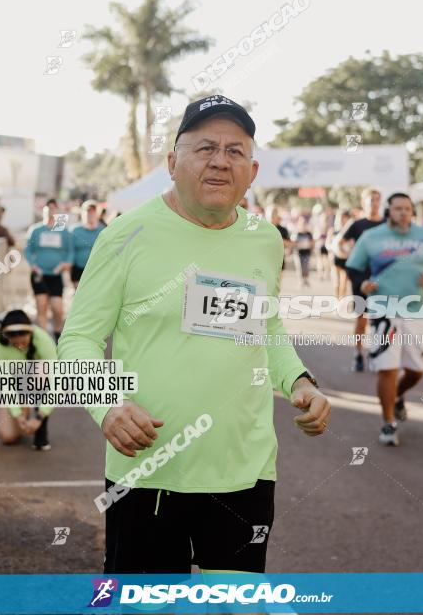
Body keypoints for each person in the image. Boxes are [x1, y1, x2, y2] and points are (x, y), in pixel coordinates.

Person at [59, 95, 331, 574]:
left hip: (243, 472)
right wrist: (108, 405)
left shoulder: (264, 238)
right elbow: (78, 339)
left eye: (234, 151)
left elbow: (264, 326)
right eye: (205, 148)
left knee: (235, 608)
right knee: (147, 611)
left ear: (252, 168)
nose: (220, 162)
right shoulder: (126, 235)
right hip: (147, 473)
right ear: (172, 162)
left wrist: (299, 382)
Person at [346, 192, 423, 446]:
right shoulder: (372, 237)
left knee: (417, 370)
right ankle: (388, 422)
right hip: (383, 311)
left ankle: (398, 396)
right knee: (388, 369)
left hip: (415, 311)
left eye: (407, 209)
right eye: (398, 208)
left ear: (412, 212)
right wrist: (363, 283)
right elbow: (353, 267)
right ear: (388, 211)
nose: (403, 212)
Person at [0, 309, 57, 450]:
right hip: (16, 385)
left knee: (42, 371)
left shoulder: (42, 339)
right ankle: (24, 409)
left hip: (36, 380)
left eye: (24, 342)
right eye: (15, 344)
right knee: (8, 437)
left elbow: (57, 382)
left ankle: (41, 432)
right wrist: (17, 415)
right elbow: (5, 383)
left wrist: (40, 416)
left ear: (30, 334)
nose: (20, 346)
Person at [339, 187, 384, 371]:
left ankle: (376, 353)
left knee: (381, 318)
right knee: (361, 319)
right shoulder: (356, 224)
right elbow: (339, 244)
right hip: (360, 278)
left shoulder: (387, 224)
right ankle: (358, 353)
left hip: (382, 277)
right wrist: (350, 256)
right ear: (364, 202)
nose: (374, 203)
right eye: (370, 200)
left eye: (376, 199)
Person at [24, 199, 73, 341]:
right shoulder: (36, 230)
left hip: (55, 275)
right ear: (43, 210)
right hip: (39, 274)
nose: (51, 210)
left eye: (54, 208)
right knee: (42, 306)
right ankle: (43, 340)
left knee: (58, 308)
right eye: (48, 208)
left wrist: (66, 264)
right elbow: (28, 250)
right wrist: (34, 265)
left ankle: (57, 333)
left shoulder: (62, 230)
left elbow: (70, 251)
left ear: (57, 211)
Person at [70, 201, 106, 288]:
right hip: (78, 269)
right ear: (82, 213)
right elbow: (69, 250)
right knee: (80, 297)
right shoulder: (74, 230)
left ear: (97, 214)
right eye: (87, 211)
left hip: (97, 270)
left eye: (93, 212)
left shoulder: (103, 231)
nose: (90, 214)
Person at [327, 209, 352, 300]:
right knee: (336, 283)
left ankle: (342, 301)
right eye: (339, 218)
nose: (341, 220)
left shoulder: (350, 232)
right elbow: (327, 244)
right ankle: (336, 300)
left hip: (346, 259)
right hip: (335, 258)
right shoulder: (333, 231)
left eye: (343, 218)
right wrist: (335, 248)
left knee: (344, 282)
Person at [292, 213, 314, 285]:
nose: (303, 224)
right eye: (302, 223)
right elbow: (292, 243)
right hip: (298, 253)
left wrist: (312, 248)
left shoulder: (308, 233)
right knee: (299, 267)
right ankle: (300, 281)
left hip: (307, 252)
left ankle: (306, 280)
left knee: (306, 267)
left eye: (304, 223)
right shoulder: (296, 233)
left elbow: (312, 243)